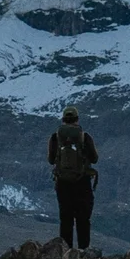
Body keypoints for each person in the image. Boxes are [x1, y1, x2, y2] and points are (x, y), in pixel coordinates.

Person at [47, 105, 98, 250]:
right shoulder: (84, 136)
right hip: (82, 182)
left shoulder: (55, 137)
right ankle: (83, 252)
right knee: (83, 219)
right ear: (77, 119)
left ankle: (66, 253)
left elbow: (51, 160)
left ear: (63, 119)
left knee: (66, 219)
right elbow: (94, 158)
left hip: (63, 183)